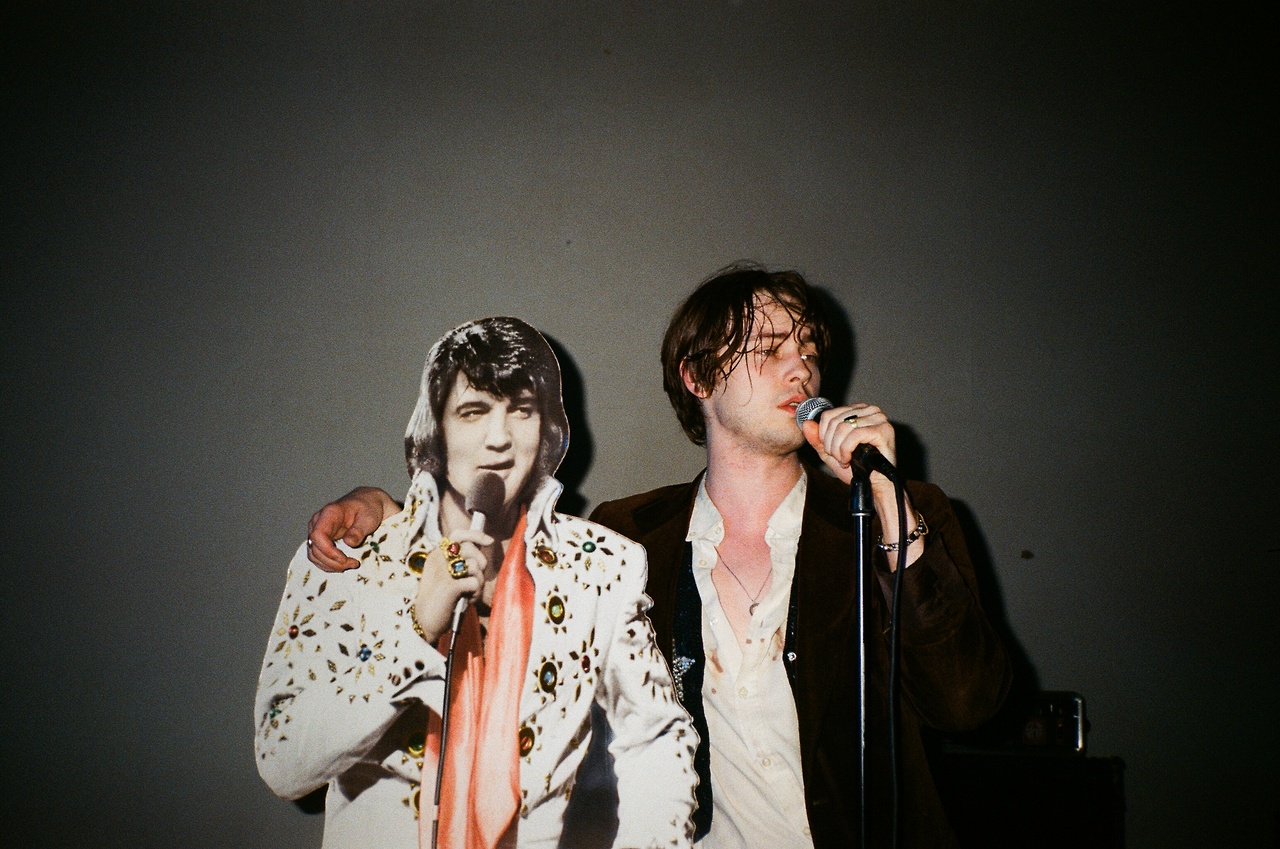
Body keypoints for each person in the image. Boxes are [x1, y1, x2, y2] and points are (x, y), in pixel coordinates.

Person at [308, 266, 1012, 848]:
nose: (801, 365)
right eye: (769, 347)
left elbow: (967, 704)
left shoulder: (899, 516)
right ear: (698, 377)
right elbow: (498, 592)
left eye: (807, 347)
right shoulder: (626, 536)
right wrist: (392, 515)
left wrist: (889, 505)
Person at [255, 317, 697, 849]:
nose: (500, 439)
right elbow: (283, 761)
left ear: (547, 430)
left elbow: (655, 738)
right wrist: (417, 628)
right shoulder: (351, 555)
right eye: (474, 411)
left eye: (522, 411)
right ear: (435, 430)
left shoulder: (601, 566)